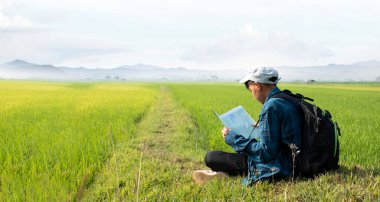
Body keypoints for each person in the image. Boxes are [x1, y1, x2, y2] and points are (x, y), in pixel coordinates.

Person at [192, 67, 303, 185]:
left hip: (281, 164)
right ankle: (223, 173)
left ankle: (224, 174)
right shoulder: (287, 98)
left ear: (257, 85)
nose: (253, 94)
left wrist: (233, 139)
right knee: (230, 156)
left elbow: (265, 153)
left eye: (251, 90)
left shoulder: (271, 107)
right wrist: (263, 128)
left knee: (211, 157)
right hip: (295, 158)